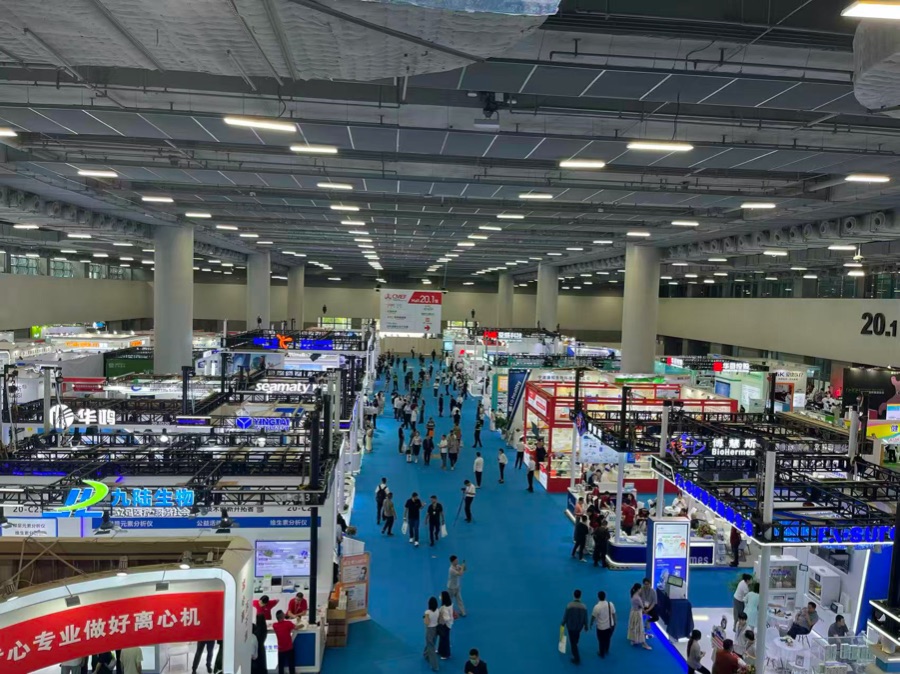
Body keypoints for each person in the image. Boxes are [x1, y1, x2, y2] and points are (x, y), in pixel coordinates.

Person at [561, 589, 589, 664]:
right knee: (576, 638)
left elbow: (566, 616)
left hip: (570, 626)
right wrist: (586, 626)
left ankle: (576, 658)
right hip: (579, 627)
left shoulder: (569, 605)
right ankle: (575, 645)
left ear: (573, 595)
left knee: (572, 642)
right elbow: (585, 618)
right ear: (580, 596)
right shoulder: (584, 607)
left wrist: (563, 623)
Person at [590, 590, 616, 659]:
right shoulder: (610, 604)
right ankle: (606, 649)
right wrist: (614, 623)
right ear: (605, 597)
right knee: (608, 638)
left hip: (601, 627)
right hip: (610, 626)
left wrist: (591, 623)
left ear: (598, 597)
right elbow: (614, 614)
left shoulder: (597, 607)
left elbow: (593, 617)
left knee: (601, 640)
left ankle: (601, 653)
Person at [627, 583, 651, 650]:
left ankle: (634, 639)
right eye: (640, 588)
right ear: (638, 589)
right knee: (640, 628)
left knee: (634, 627)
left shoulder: (634, 595)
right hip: (637, 614)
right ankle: (644, 643)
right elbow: (643, 607)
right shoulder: (637, 598)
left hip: (633, 612)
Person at [423, 596, 440, 672]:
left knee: (431, 647)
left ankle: (435, 666)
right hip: (436, 629)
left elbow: (426, 623)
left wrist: (424, 618)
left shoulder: (427, 612)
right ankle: (426, 654)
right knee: (432, 643)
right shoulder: (437, 611)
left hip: (430, 630)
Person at [438, 590, 454, 659]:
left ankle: (446, 654)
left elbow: (446, 618)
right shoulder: (450, 604)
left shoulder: (444, 608)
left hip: (445, 625)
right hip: (449, 624)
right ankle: (440, 650)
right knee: (442, 638)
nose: (440, 597)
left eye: (441, 596)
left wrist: (441, 618)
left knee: (445, 640)